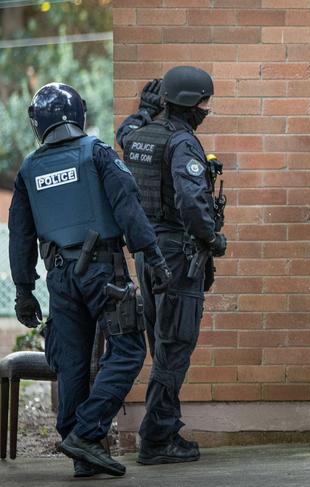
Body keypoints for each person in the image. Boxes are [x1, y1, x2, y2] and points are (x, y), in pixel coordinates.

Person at [9, 82, 172, 477]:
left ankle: (83, 456)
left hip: (60, 279)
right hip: (103, 272)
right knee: (130, 350)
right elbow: (127, 206)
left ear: (39, 124)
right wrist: (153, 256)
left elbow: (20, 234)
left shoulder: (29, 169)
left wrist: (24, 290)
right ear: (79, 114)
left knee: (72, 363)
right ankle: (85, 433)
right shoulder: (96, 153)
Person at [116, 65, 226, 465]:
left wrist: (144, 110)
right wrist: (213, 239)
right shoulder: (183, 143)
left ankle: (164, 425)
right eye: (203, 102)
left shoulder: (138, 136)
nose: (206, 109)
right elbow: (192, 202)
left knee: (161, 342)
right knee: (174, 346)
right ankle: (158, 438)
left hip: (146, 252)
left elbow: (123, 133)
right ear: (191, 102)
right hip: (177, 255)